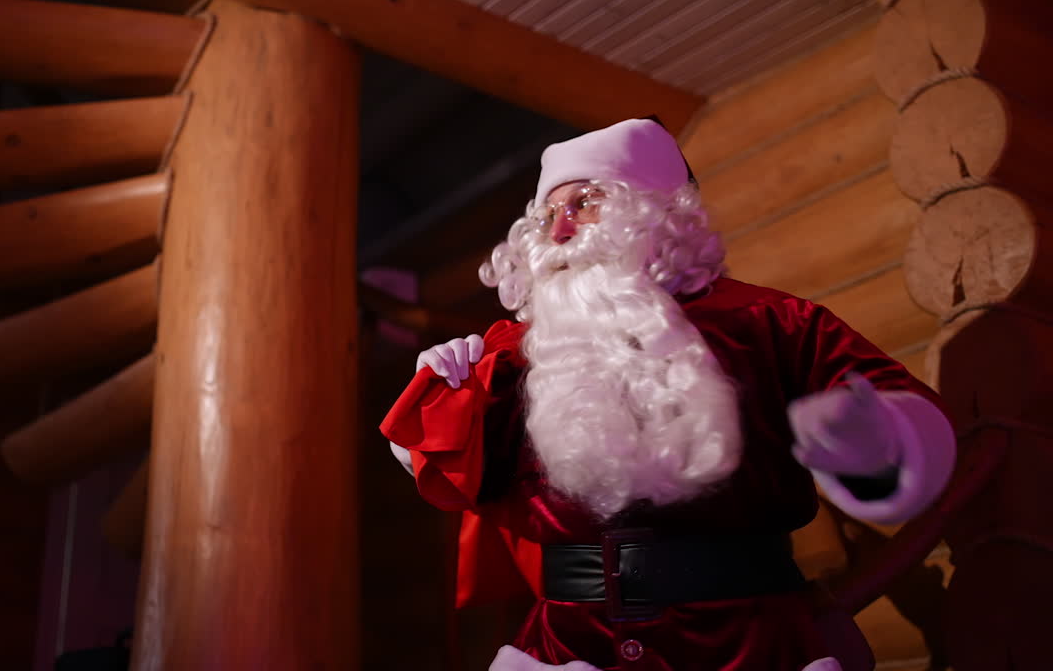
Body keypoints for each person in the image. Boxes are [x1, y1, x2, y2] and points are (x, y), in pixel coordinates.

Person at [380, 119, 956, 671]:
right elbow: (457, 471)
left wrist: (873, 438)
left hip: (749, 642)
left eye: (583, 202)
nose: (559, 230)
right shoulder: (513, 349)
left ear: (652, 206)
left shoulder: (773, 322)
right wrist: (445, 396)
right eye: (550, 213)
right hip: (572, 648)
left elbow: (910, 422)